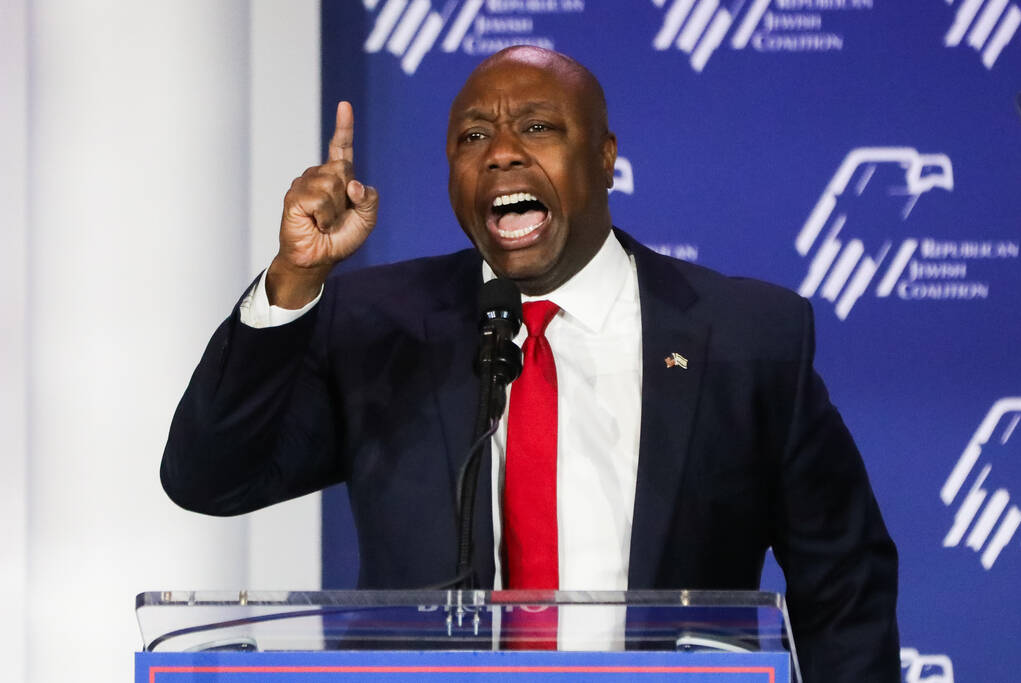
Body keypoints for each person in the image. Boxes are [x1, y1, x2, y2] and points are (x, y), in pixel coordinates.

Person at [162, 46, 899, 681]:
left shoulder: (746, 333)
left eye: (539, 127)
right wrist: (293, 283)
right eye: (472, 136)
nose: (502, 151)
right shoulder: (376, 326)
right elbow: (211, 476)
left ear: (606, 158)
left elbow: (843, 584)